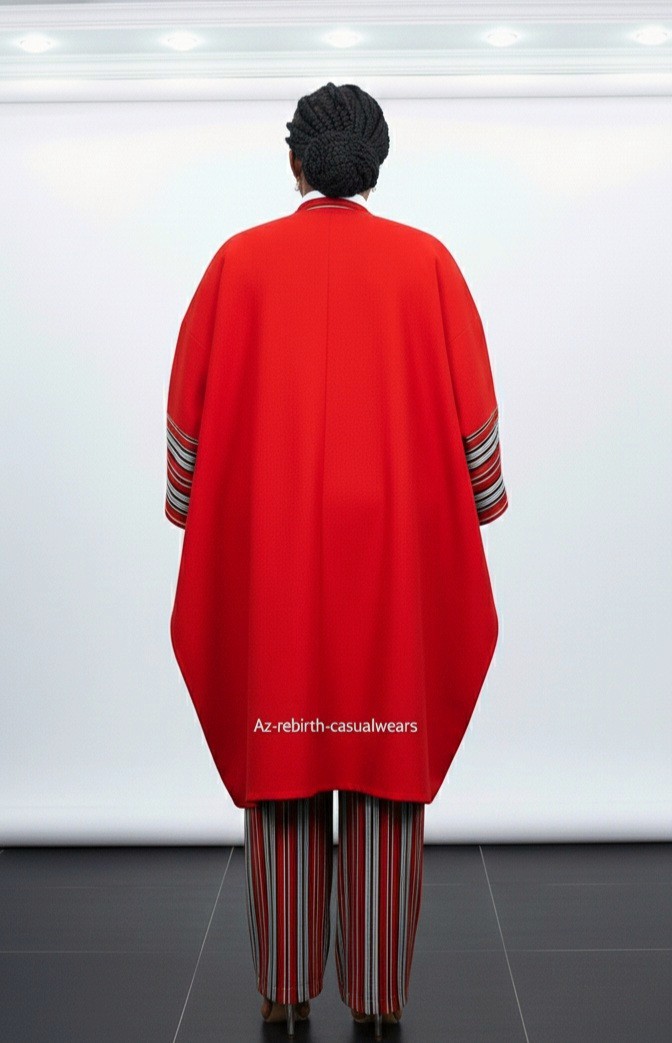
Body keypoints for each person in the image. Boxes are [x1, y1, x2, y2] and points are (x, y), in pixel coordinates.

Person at [165, 81, 508, 1039]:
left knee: (282, 755)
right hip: (393, 558)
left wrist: (188, 501)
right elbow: (476, 414)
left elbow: (188, 404)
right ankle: (380, 992)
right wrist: (482, 497)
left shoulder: (237, 263)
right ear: (376, 164)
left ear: (295, 162)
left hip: (275, 552)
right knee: (387, 761)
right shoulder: (427, 262)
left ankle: (283, 987)